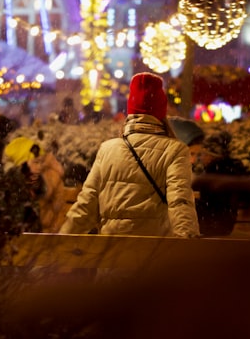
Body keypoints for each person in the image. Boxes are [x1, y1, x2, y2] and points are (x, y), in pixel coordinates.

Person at [58, 72, 200, 238]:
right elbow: (180, 202)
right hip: (155, 254)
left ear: (130, 111)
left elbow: (87, 205)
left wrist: (60, 242)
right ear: (161, 112)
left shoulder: (107, 149)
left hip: (111, 255)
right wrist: (188, 246)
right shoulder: (175, 150)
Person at [192, 130, 250, 236]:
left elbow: (210, 203)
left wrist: (192, 201)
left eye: (205, 154)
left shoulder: (214, 172)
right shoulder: (231, 169)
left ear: (213, 155)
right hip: (226, 221)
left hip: (212, 224)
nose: (202, 157)